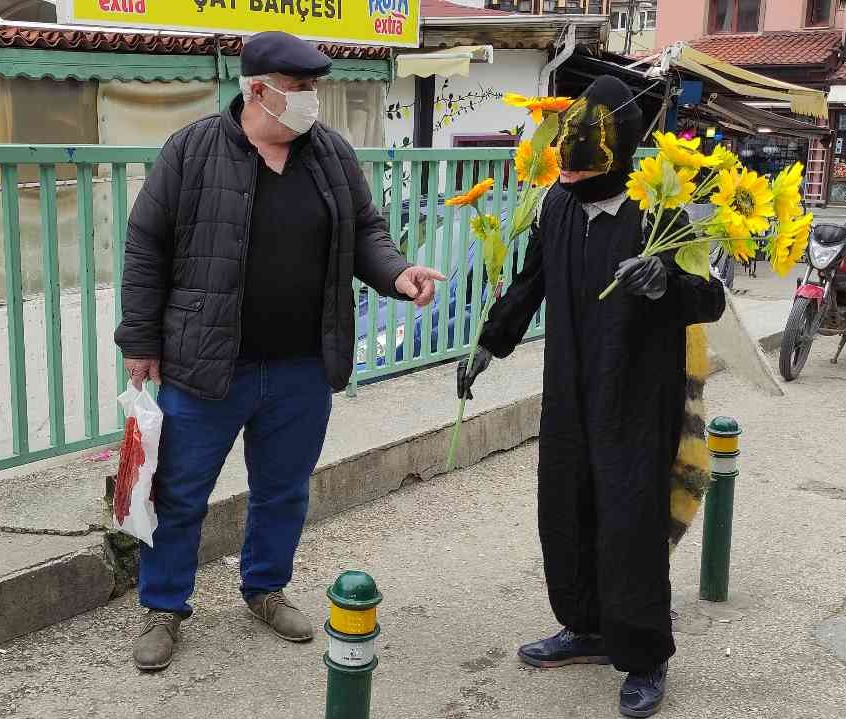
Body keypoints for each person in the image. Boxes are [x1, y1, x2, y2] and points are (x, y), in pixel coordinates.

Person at [114, 31, 446, 672]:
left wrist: (398, 274)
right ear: (258, 90)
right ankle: (163, 605)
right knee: (179, 492)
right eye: (299, 89)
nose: (310, 100)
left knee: (283, 490)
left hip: (300, 364)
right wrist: (141, 341)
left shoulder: (330, 154)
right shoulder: (193, 150)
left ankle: (264, 589)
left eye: (314, 88)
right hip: (207, 365)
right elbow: (145, 246)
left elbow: (367, 231)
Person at [455, 76, 726, 718]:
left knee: (629, 523)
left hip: (637, 398)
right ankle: (585, 627)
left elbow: (709, 299)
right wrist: (489, 345)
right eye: (565, 178)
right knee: (566, 506)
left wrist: (664, 281)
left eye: (580, 178)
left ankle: (643, 651)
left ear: (619, 164)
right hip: (570, 393)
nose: (569, 187)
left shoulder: (657, 212)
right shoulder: (556, 205)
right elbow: (531, 282)